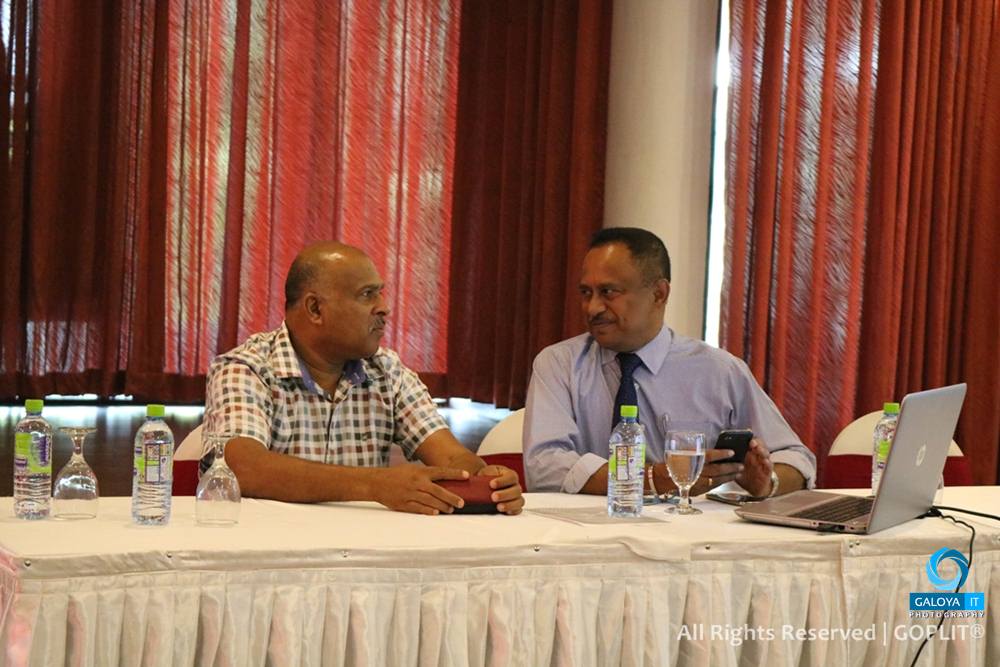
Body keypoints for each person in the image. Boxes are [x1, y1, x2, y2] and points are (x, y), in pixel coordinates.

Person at [204, 241, 524, 515]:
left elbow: (451, 456)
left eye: (380, 293)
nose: (384, 308)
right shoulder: (246, 368)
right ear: (315, 309)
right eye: (367, 294)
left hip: (363, 551)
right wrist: (375, 485)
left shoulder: (387, 371)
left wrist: (487, 479)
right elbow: (243, 468)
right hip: (267, 549)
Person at [524, 227, 815, 498]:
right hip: (585, 531)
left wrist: (767, 482)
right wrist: (650, 480)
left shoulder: (719, 371)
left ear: (659, 294)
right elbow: (544, 467)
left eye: (608, 292)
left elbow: (797, 459)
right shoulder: (560, 364)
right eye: (586, 293)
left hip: (693, 532)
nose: (593, 308)